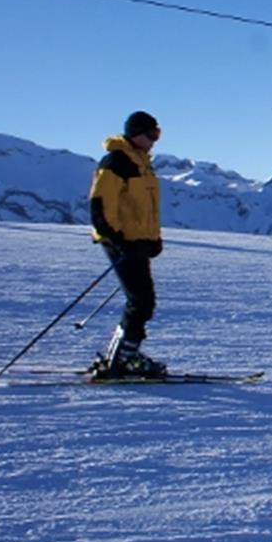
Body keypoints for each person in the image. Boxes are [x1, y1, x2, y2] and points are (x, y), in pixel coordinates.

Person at [88, 111, 166, 378]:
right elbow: (100, 203)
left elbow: (146, 210)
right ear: (137, 134)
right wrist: (115, 238)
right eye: (152, 134)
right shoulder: (117, 162)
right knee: (141, 300)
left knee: (142, 300)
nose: (155, 140)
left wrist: (152, 240)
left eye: (158, 134)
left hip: (136, 242)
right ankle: (123, 358)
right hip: (121, 242)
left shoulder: (142, 163)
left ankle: (122, 355)